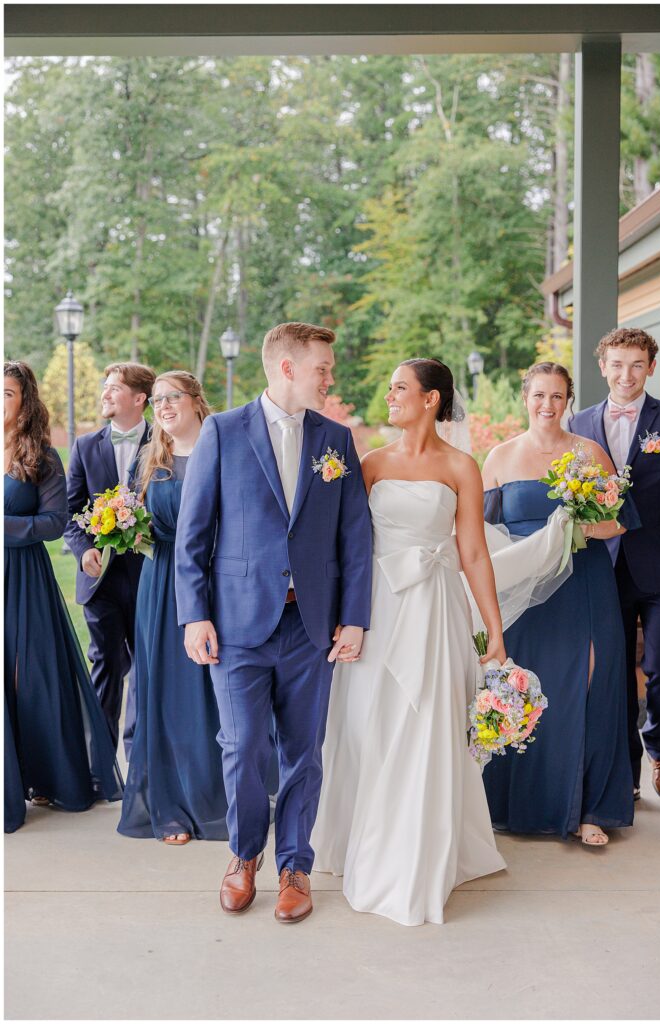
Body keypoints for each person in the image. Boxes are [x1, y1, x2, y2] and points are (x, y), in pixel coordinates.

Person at [175, 322, 373, 924]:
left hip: (310, 626)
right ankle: (243, 856)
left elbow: (355, 539)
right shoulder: (222, 431)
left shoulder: (336, 439)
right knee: (241, 748)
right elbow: (194, 533)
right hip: (236, 626)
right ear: (287, 368)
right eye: (322, 368)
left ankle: (295, 866)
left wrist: (354, 618)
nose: (329, 377)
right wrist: (195, 615)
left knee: (303, 753)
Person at [312, 358, 507, 926]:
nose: (389, 395)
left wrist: (493, 630)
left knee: (427, 722)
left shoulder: (462, 467)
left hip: (435, 609)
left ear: (431, 400)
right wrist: (341, 616)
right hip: (377, 608)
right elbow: (348, 547)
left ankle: (417, 855)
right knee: (368, 722)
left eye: (400, 387)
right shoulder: (369, 463)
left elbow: (472, 552)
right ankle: (363, 839)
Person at [481, 362, 636, 846]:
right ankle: (519, 804)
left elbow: (620, 521)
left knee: (591, 683)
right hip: (524, 591)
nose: (547, 405)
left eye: (557, 397)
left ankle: (590, 807)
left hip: (583, 583)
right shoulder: (499, 458)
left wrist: (580, 528)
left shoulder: (589, 453)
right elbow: (482, 535)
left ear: (568, 401)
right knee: (525, 686)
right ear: (525, 396)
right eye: (539, 395)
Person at [4, 360, 123, 829]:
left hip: (24, 578)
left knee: (31, 677)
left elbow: (54, 523)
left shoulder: (42, 457)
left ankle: (50, 776)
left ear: (25, 402)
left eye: (7, 394)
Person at [569, 327, 660, 802]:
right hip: (601, 568)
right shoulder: (578, 424)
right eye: (617, 364)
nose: (626, 374)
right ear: (603, 367)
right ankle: (626, 774)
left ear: (651, 368)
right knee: (613, 673)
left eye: (636, 364)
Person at [117, 371, 228, 845]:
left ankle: (221, 799)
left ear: (196, 401)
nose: (162, 406)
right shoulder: (149, 459)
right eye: (156, 400)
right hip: (161, 585)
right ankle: (170, 807)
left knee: (214, 693)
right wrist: (124, 527)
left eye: (172, 397)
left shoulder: (225, 448)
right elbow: (130, 514)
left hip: (216, 582)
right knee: (163, 692)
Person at [65, 361, 155, 751]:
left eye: (113, 387)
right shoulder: (85, 446)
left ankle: (139, 761)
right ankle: (100, 763)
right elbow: (70, 512)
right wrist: (84, 550)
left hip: (150, 575)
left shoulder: (164, 443)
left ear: (139, 399)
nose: (104, 393)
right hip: (100, 578)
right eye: (105, 385)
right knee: (105, 664)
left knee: (148, 668)